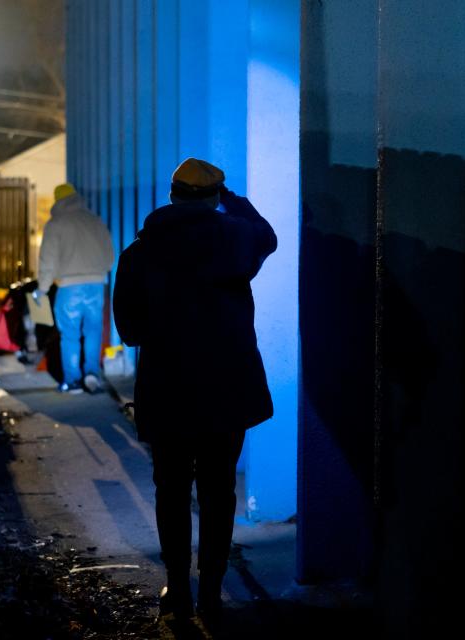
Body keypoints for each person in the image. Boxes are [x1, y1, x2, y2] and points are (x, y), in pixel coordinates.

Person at [112, 158, 277, 625]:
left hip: (169, 387)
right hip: (227, 387)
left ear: (171, 195)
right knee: (219, 489)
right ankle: (211, 590)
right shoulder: (237, 240)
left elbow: (129, 330)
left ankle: (178, 589)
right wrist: (233, 202)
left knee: (171, 488)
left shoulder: (139, 254)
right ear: (214, 197)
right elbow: (267, 234)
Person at [35, 183, 114, 393]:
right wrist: (99, 272)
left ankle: (73, 381)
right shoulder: (95, 220)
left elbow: (47, 260)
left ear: (57, 201)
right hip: (96, 285)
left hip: (69, 287)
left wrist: (42, 289)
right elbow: (109, 254)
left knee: (70, 334)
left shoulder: (56, 223)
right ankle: (92, 374)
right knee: (93, 331)